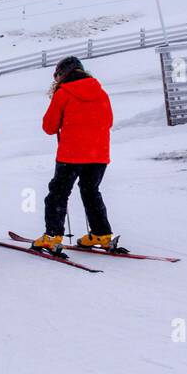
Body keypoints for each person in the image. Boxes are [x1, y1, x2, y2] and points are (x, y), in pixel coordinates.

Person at [33, 57, 115, 253]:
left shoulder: (63, 94)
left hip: (71, 155)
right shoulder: (101, 93)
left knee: (58, 195)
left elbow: (49, 127)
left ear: (62, 75)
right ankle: (101, 234)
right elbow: (109, 121)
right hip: (98, 154)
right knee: (90, 191)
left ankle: (52, 237)